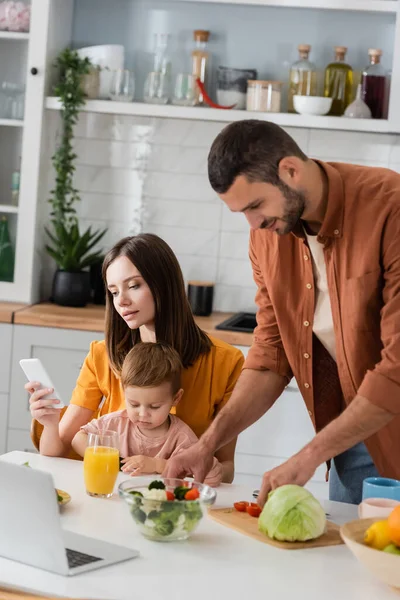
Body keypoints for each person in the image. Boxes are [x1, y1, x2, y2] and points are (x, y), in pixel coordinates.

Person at [165, 119, 400, 505]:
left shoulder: (389, 207)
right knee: (345, 560)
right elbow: (270, 356)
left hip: (387, 417)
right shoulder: (267, 237)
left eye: (256, 205)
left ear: (290, 170)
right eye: (242, 212)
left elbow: (396, 367)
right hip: (353, 435)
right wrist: (205, 445)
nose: (254, 224)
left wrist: (307, 456)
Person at [28, 234, 244, 482]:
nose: (121, 301)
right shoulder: (102, 355)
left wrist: (213, 471)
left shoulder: (226, 362)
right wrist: (50, 422)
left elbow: (226, 468)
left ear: (164, 283)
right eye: (113, 291)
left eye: (133, 286)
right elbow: (61, 447)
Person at [72, 342, 222, 486]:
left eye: (155, 407)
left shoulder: (182, 438)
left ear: (176, 398)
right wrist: (111, 460)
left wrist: (156, 465)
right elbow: (78, 439)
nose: (143, 414)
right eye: (134, 404)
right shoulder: (115, 423)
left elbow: (199, 473)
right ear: (125, 393)